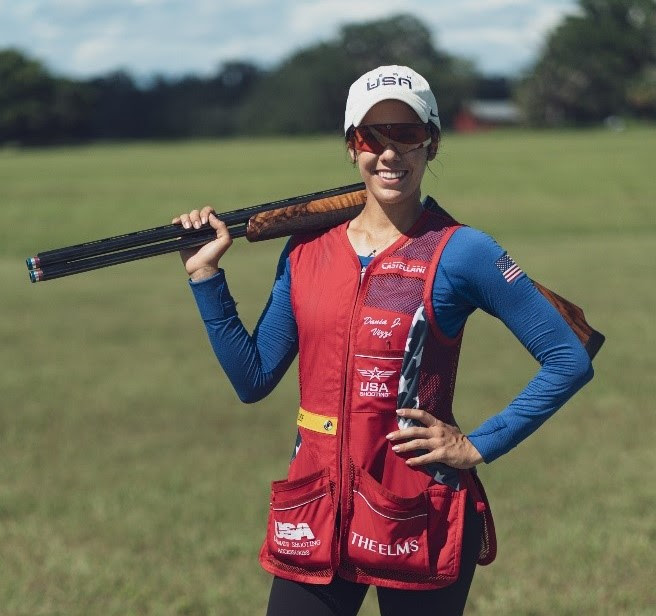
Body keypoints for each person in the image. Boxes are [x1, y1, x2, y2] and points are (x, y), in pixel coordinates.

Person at [173, 65, 594, 616]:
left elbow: (567, 358)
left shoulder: (463, 251)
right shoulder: (303, 251)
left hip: (420, 512)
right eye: (373, 136)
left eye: (408, 134)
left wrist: (477, 445)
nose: (390, 153)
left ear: (433, 144)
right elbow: (252, 380)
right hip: (317, 510)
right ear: (352, 147)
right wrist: (205, 277)